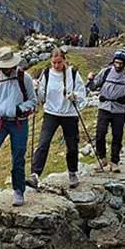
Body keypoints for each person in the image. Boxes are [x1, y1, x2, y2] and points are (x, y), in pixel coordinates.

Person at [0, 47, 38, 206]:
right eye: (3, 66)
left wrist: (20, 109)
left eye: (8, 66)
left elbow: (33, 100)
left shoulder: (24, 78)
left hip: (19, 122)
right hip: (0, 121)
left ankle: (18, 191)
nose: (6, 69)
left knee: (18, 156)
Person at [28, 47, 86, 189]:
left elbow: (82, 93)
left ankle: (72, 173)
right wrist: (36, 90)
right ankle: (35, 174)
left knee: (72, 146)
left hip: (69, 114)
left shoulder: (73, 74)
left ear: (64, 60)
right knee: (43, 143)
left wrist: (75, 96)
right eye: (54, 62)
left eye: (59, 62)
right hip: (51, 113)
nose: (56, 65)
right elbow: (42, 97)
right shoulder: (46, 74)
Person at [86, 48, 125, 173]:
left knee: (117, 136)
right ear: (113, 61)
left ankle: (115, 162)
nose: (118, 65)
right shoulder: (106, 72)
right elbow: (93, 87)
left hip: (119, 110)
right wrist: (90, 79)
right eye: (116, 62)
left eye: (120, 63)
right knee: (100, 134)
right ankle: (102, 159)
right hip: (104, 107)